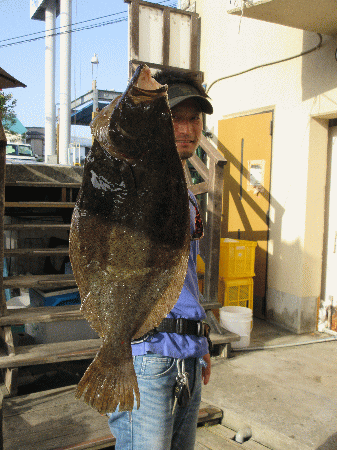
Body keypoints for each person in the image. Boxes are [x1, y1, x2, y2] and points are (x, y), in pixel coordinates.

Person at [108, 68, 213, 450]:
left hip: (185, 351)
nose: (186, 129)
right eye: (175, 117)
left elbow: (185, 278)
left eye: (194, 119)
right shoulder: (137, 176)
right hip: (147, 356)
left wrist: (199, 342)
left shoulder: (186, 191)